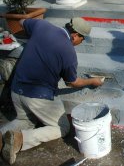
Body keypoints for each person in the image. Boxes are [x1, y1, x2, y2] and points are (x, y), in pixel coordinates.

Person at [0, 17, 103, 165]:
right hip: (37, 95)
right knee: (63, 127)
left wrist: (33, 39)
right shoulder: (68, 52)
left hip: (16, 90)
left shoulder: (42, 25)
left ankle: (2, 136)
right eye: (83, 39)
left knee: (26, 121)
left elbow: (22, 21)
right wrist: (92, 81)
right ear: (75, 35)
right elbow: (72, 82)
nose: (81, 42)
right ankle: (19, 140)